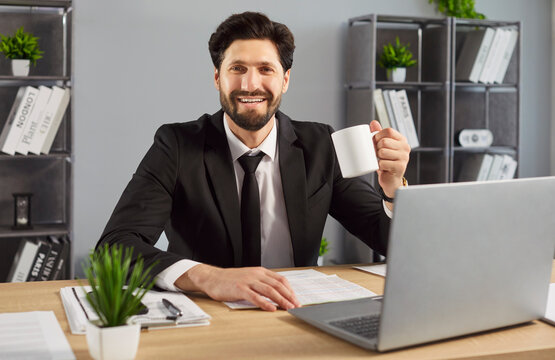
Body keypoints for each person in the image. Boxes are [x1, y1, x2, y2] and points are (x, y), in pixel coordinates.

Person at [98, 12, 410, 312]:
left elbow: (389, 240)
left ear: (285, 80)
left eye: (265, 69)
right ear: (218, 78)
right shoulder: (177, 146)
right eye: (237, 69)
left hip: (296, 311)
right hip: (208, 312)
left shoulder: (320, 146)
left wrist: (393, 187)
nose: (250, 85)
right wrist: (209, 277)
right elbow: (114, 248)